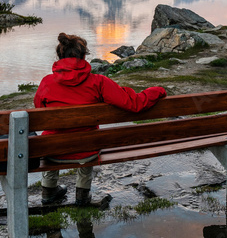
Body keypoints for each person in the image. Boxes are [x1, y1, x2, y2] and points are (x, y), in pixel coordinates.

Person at [34, 32, 166, 206]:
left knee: (51, 137)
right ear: (83, 56)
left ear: (60, 56)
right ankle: (82, 197)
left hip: (54, 151)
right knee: (86, 142)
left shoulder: (46, 82)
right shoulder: (98, 82)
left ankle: (48, 193)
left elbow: (39, 110)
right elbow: (134, 104)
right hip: (86, 150)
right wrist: (158, 90)